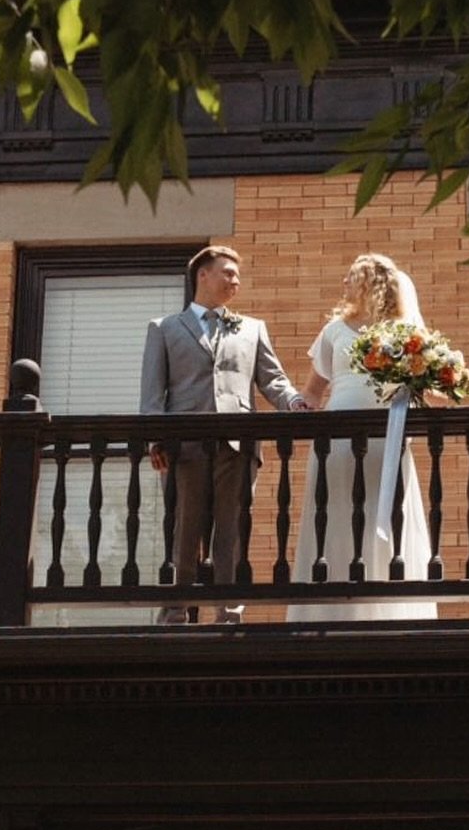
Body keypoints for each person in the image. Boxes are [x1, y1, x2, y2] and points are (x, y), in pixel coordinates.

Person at [140, 244, 306, 624]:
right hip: (185, 445)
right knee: (185, 529)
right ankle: (176, 613)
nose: (236, 281)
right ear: (203, 275)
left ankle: (228, 613)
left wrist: (293, 402)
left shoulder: (251, 328)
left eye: (237, 275)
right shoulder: (164, 329)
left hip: (237, 444)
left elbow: (273, 380)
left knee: (231, 530)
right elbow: (152, 394)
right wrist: (156, 440)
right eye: (228, 273)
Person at [286, 253, 438, 623]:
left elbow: (429, 391)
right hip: (337, 442)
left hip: (387, 438)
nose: (343, 284)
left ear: (371, 283)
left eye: (351, 277)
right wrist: (297, 408)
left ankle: (388, 612)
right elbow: (312, 393)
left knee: (383, 514)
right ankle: (331, 613)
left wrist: (437, 378)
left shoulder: (404, 332)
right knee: (335, 514)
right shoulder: (334, 331)